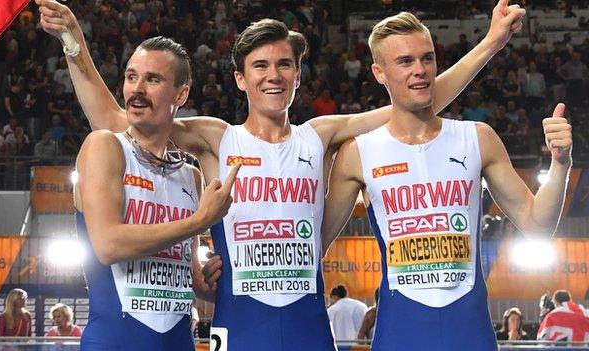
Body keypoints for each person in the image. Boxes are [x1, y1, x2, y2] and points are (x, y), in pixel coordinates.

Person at [36, 0, 524, 349]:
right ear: (240, 78)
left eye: (284, 65)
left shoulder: (322, 134)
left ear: (296, 75)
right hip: (242, 329)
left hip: (311, 329)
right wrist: (75, 46)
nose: (274, 75)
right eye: (261, 65)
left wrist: (490, 43)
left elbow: (420, 98)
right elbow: (121, 121)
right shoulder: (216, 138)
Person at [320, 11, 571, 351]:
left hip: (471, 335)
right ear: (379, 73)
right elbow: (313, 247)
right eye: (405, 61)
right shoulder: (358, 153)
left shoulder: (476, 138)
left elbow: (539, 226)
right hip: (399, 335)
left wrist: (560, 163)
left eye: (427, 58)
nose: (419, 70)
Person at [70, 36, 240, 350]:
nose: (137, 89)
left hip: (179, 342)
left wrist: (201, 281)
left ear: (182, 92)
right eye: (131, 77)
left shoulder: (190, 175)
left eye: (152, 79)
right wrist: (199, 220)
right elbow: (108, 245)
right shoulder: (105, 146)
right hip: (114, 342)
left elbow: (182, 263)